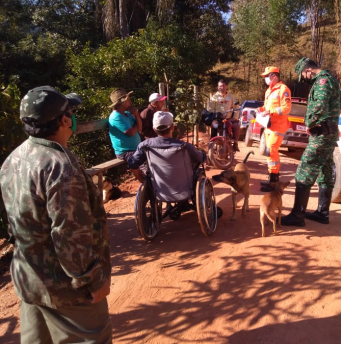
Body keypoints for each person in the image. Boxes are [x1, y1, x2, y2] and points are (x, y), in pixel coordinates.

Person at [0, 86, 112, 343]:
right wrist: (93, 280)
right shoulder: (59, 166)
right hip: (67, 290)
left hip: (29, 279)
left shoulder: (14, 159)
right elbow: (69, 234)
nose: (73, 117)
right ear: (63, 120)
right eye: (71, 112)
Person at [282, 58, 341, 226]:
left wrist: (309, 124)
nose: (305, 80)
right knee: (324, 172)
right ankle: (322, 213)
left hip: (321, 134)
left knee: (304, 171)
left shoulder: (322, 81)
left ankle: (297, 216)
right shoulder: (332, 80)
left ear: (308, 70)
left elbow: (319, 105)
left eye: (304, 76)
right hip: (329, 133)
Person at [129, 111, 206, 183]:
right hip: (186, 190)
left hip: (158, 192)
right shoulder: (185, 146)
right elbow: (200, 158)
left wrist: (141, 179)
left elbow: (132, 163)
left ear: (154, 129)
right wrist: (203, 154)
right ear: (172, 127)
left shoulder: (145, 145)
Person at [257, 66, 292, 192]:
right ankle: (273, 178)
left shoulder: (284, 89)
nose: (265, 78)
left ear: (274, 76)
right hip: (268, 126)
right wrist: (261, 110)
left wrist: (270, 111)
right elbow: (266, 107)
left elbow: (286, 108)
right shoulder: (269, 91)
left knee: (272, 150)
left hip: (278, 126)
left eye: (267, 76)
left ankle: (273, 181)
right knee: (268, 152)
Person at [108, 88, 142, 163]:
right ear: (123, 102)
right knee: (145, 164)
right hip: (125, 152)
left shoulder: (127, 113)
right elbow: (131, 133)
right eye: (128, 100)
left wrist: (136, 114)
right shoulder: (116, 117)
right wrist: (136, 125)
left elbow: (140, 128)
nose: (130, 102)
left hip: (135, 149)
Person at [209, 79, 240, 152]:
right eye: (220, 86)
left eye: (223, 86)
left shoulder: (231, 97)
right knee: (213, 129)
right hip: (217, 120)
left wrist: (234, 118)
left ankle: (235, 144)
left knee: (237, 126)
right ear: (218, 87)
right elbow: (210, 109)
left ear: (226, 86)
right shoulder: (214, 97)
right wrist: (211, 120)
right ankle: (211, 150)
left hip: (228, 119)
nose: (221, 87)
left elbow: (237, 107)